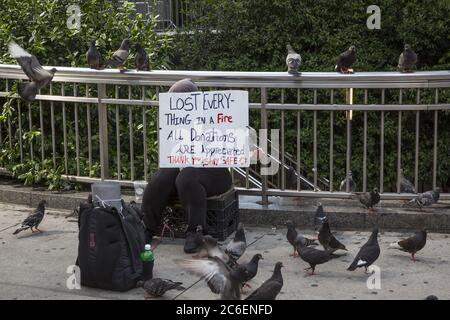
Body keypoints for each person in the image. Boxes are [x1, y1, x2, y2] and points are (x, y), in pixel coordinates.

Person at [141, 78, 233, 253]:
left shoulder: (214, 117)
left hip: (215, 171)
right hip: (186, 168)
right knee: (162, 177)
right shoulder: (173, 122)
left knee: (187, 176)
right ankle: (147, 227)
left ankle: (195, 231)